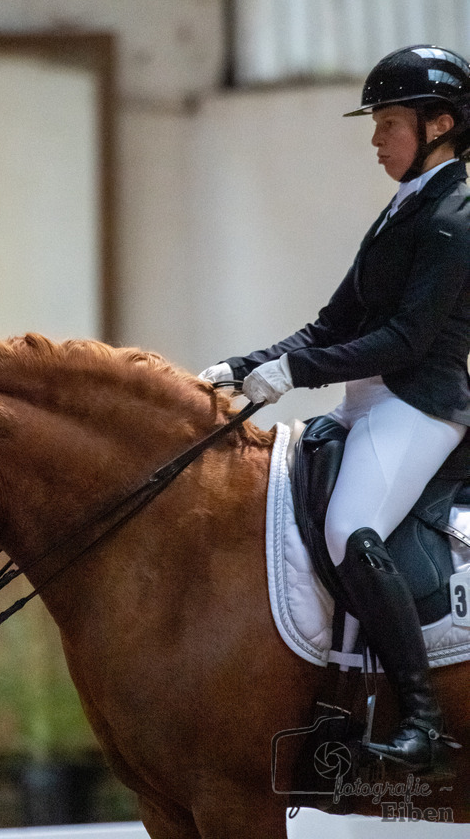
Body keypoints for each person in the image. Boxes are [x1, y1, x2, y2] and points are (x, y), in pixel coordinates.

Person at [200, 45, 470, 773]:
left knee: (352, 528)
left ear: (439, 122)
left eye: (388, 123)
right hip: (369, 400)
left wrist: (296, 373)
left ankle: (421, 722)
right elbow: (330, 323)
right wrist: (247, 365)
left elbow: (403, 340)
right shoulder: (400, 209)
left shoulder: (453, 217)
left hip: (419, 405)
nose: (375, 139)